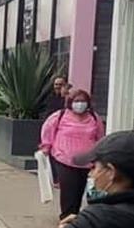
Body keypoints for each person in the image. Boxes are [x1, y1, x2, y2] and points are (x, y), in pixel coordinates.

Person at [39, 89, 105, 219]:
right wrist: (46, 147)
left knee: (80, 189)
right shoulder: (60, 116)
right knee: (69, 188)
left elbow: (100, 136)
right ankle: (66, 216)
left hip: (86, 162)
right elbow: (47, 131)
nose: (80, 104)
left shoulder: (93, 118)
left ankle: (75, 215)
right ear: (70, 102)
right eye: (77, 101)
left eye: (83, 101)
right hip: (64, 159)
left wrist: (99, 155)